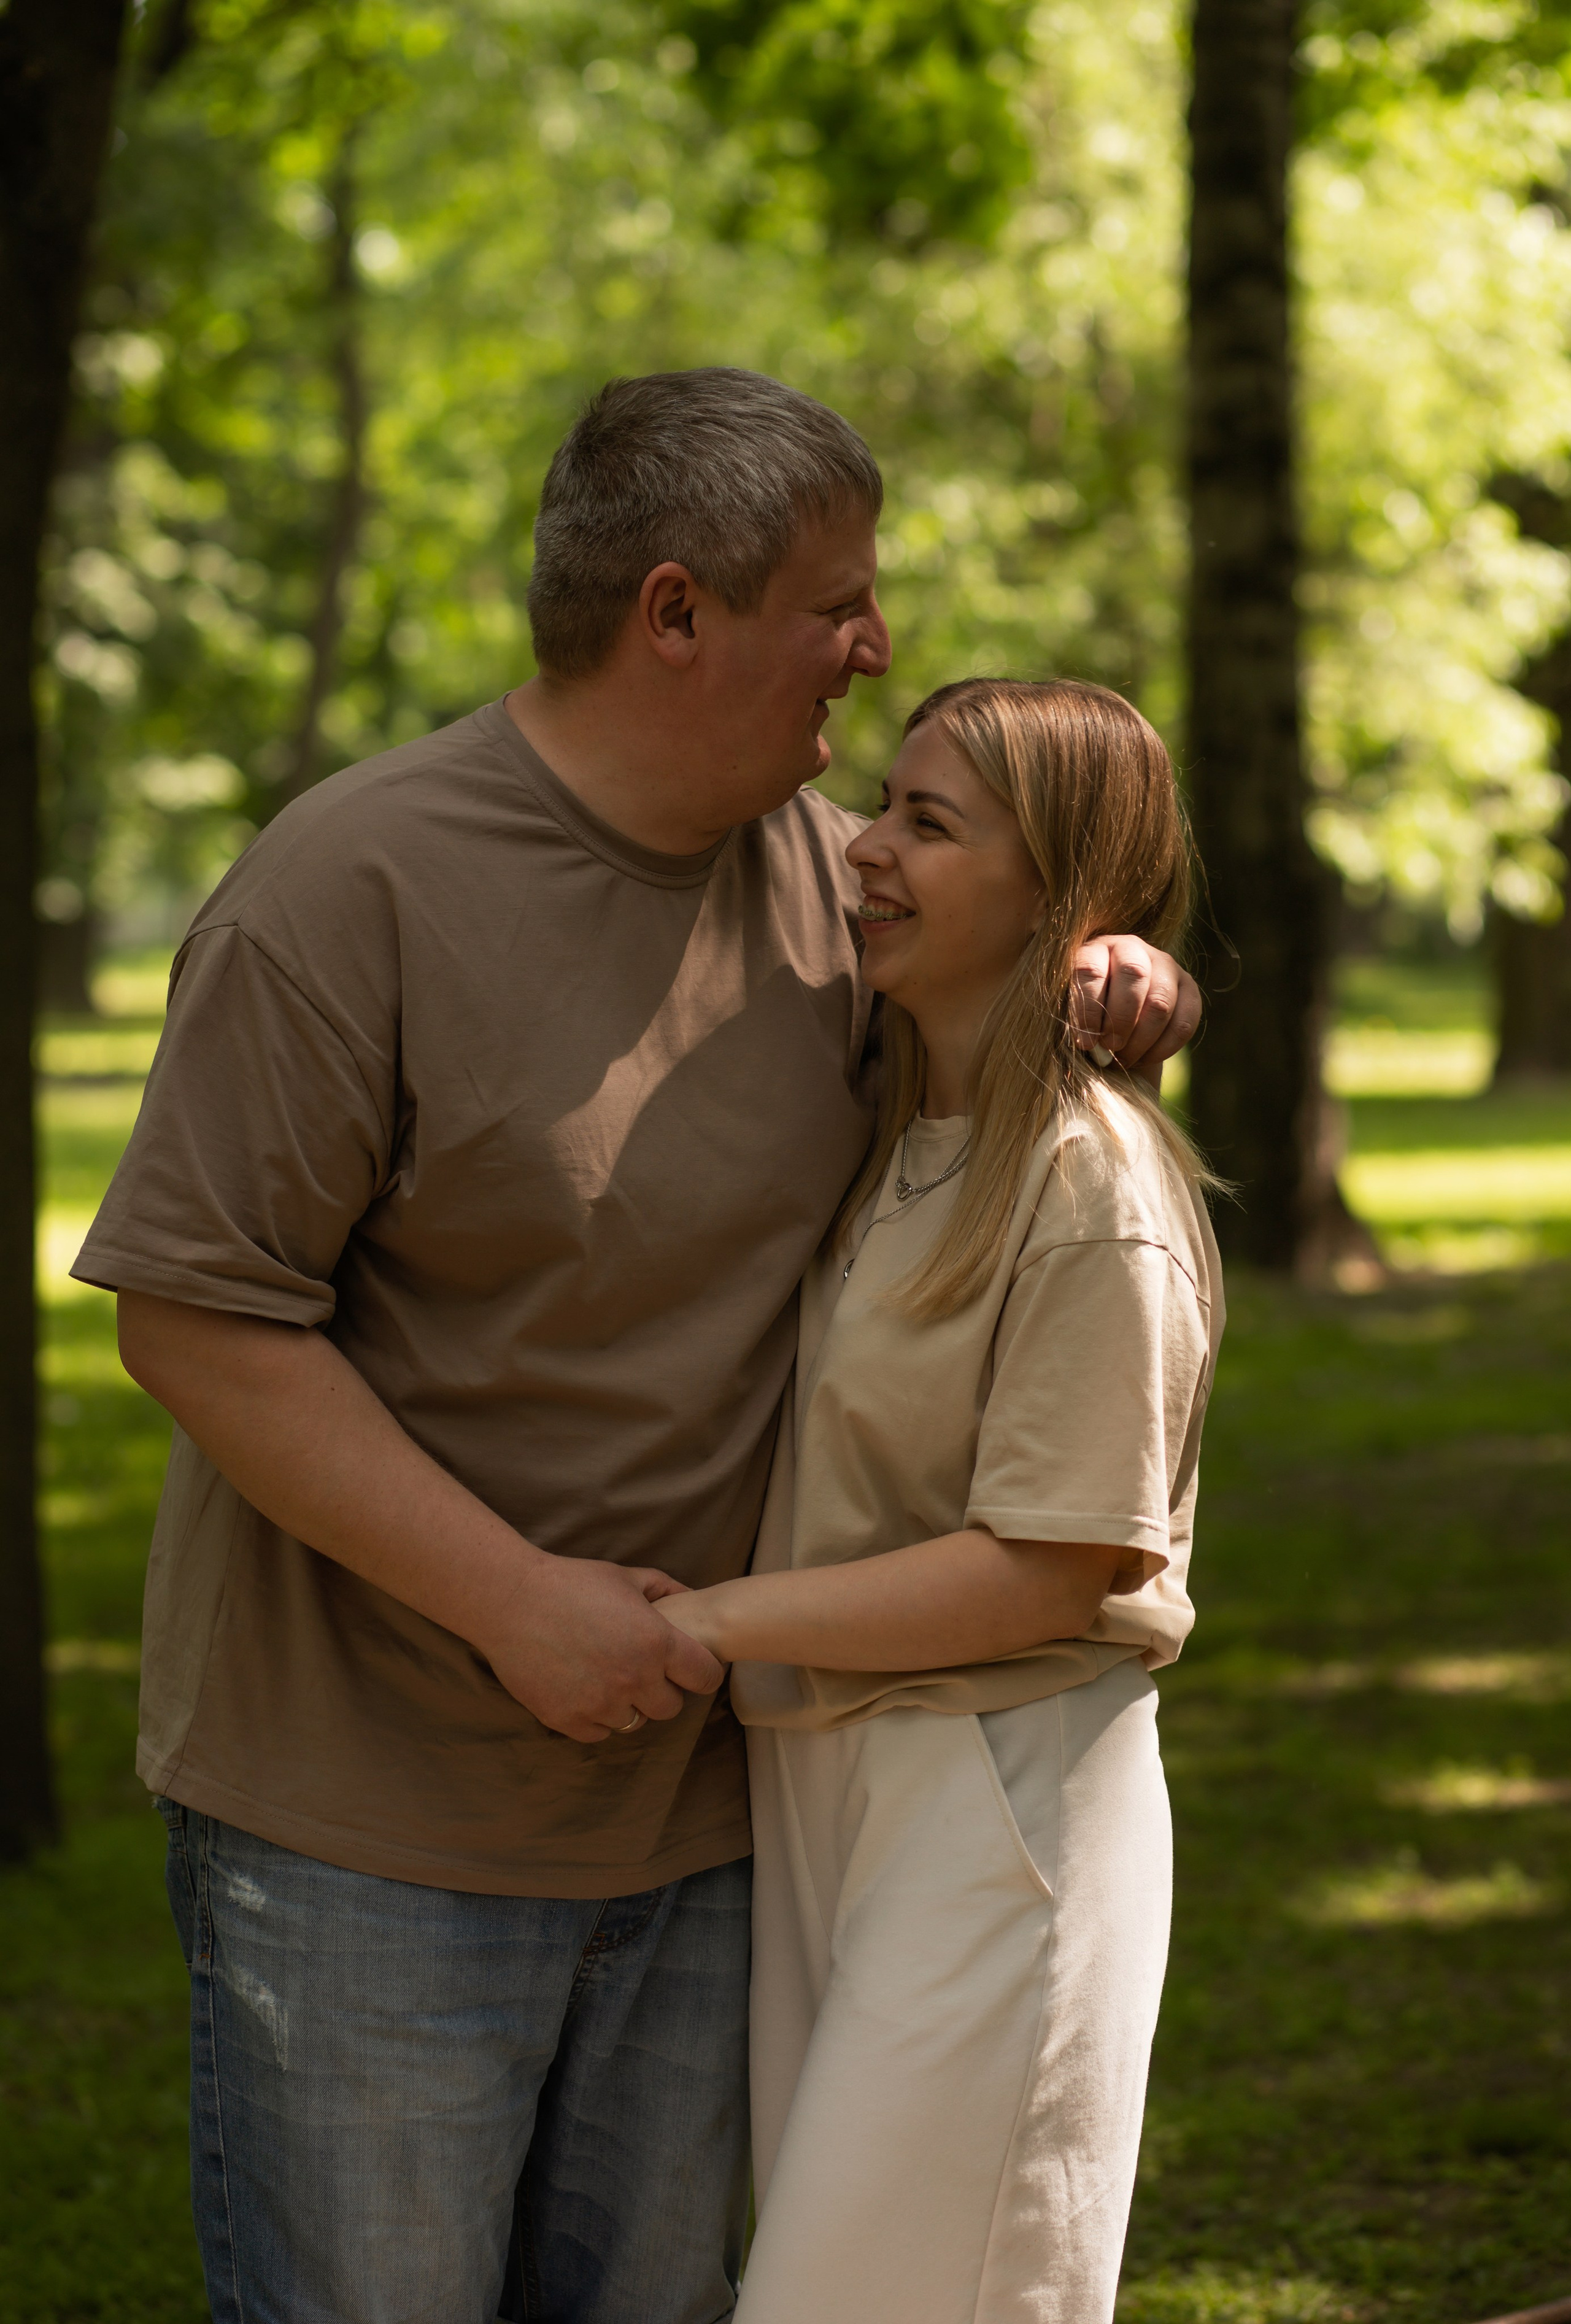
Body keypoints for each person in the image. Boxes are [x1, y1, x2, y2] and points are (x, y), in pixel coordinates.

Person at [72, 369, 1201, 2324]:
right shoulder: (349, 891)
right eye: (837, 599)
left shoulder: (831, 885)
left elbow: (1000, 1011)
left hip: (703, 1835)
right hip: (370, 1830)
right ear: (675, 613)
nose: (878, 640)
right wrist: (518, 1602)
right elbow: (198, 1318)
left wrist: (1124, 973)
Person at [657, 676, 1223, 2324]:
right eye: (880, 805)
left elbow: (1053, 1566)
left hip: (999, 1800)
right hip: (835, 1790)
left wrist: (695, 1623)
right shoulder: (906, 1130)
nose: (866, 853)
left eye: (928, 822)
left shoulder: (1089, 1178)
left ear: (1060, 891)